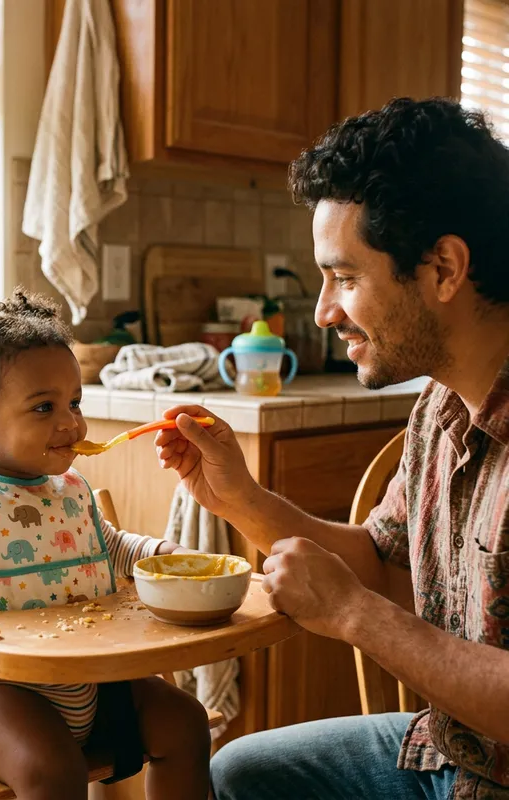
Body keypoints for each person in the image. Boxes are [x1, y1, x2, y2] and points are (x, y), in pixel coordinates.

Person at [156, 98, 509, 799]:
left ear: (443, 268)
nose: (324, 311)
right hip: (452, 754)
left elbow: (362, 597)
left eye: (345, 278)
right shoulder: (439, 408)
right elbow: (379, 563)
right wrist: (242, 500)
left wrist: (353, 615)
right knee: (238, 774)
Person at [0, 289, 210, 800]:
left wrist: (165, 558)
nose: (69, 422)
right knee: (52, 770)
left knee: (186, 721)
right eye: (43, 407)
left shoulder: (71, 488)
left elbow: (111, 547)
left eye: (74, 402)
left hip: (92, 683)